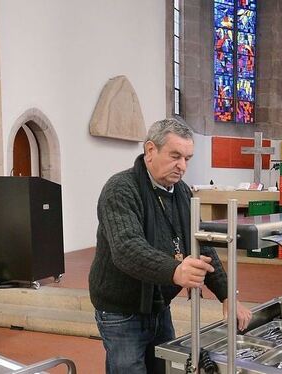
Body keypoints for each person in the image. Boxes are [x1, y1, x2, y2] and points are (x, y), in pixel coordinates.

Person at [89, 118, 252, 373]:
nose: (183, 166)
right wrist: (176, 271)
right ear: (151, 150)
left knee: (164, 369)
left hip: (158, 306)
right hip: (121, 310)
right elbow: (127, 248)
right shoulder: (120, 188)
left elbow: (203, 246)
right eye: (175, 156)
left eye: (188, 158)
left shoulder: (182, 193)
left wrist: (227, 295)